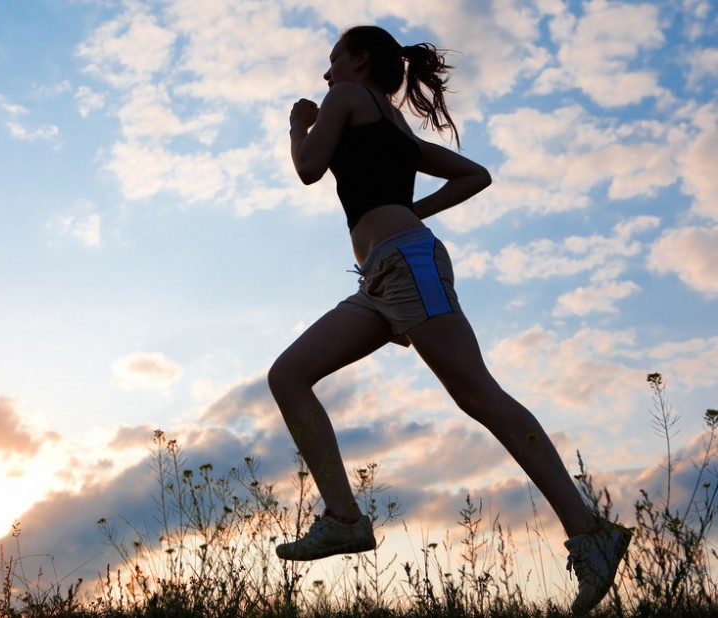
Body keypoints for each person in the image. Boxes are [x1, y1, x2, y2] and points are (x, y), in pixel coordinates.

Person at [267, 25, 630, 614]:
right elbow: (474, 174)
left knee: (477, 394)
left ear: (359, 60)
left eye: (333, 61)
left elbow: (309, 167)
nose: (326, 74)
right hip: (384, 277)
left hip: (409, 266)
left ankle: (590, 532)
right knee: (288, 376)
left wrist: (297, 124)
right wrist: (412, 210)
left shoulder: (346, 99)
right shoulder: (394, 125)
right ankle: (343, 518)